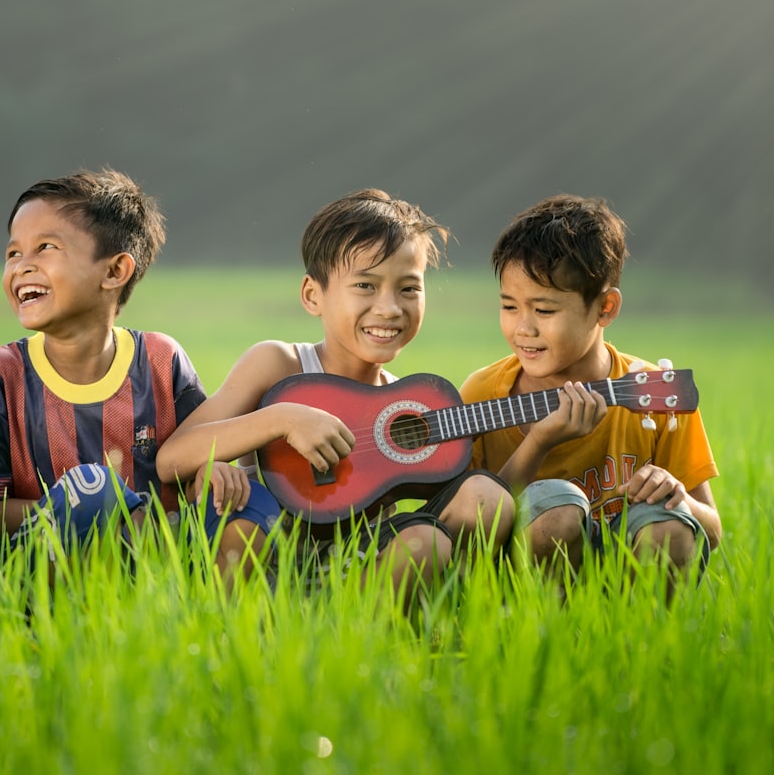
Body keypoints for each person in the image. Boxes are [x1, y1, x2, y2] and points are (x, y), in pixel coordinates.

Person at [156, 189, 514, 610]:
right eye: (365, 285)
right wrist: (282, 419)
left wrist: (544, 435)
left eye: (408, 289)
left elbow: (472, 504)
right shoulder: (280, 363)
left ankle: (370, 638)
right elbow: (172, 459)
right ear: (313, 295)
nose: (390, 308)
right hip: (269, 559)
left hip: (360, 568)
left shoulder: (409, 404)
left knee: (449, 526)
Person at [0, 168, 279, 581]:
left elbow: (194, 459)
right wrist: (104, 510)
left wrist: (211, 472)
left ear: (114, 272)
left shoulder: (162, 360)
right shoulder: (3, 374)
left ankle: (210, 618)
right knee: (94, 487)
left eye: (45, 248)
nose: (22, 267)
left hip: (159, 558)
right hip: (49, 568)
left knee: (256, 501)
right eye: (13, 253)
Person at [459, 194, 722, 587]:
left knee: (670, 530)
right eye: (509, 307)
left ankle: (644, 643)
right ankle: (549, 639)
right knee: (555, 515)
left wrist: (679, 498)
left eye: (544, 311)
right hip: (519, 583)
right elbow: (468, 536)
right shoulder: (483, 391)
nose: (523, 329)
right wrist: (539, 442)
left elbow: (712, 531)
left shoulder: (655, 394)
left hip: (624, 570)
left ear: (606, 308)